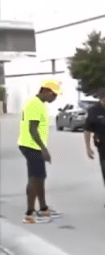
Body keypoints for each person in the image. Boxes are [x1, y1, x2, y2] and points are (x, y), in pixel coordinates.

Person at [18, 81, 62, 224]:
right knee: (35, 178)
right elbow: (33, 129)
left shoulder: (39, 103)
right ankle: (29, 214)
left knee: (40, 177)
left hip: (33, 146)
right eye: (54, 95)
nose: (55, 98)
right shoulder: (35, 104)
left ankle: (43, 209)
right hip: (31, 146)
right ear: (46, 92)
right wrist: (43, 149)